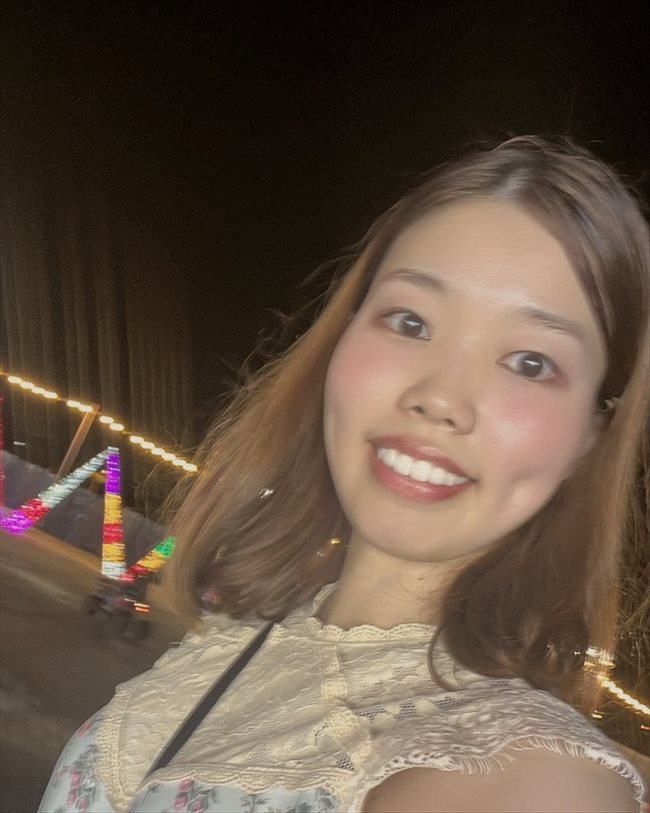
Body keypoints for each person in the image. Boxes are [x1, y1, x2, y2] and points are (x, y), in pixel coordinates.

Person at [39, 137, 649, 813]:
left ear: (591, 438)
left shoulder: (532, 778)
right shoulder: (243, 638)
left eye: (531, 363)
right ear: (344, 333)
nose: (439, 397)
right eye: (410, 321)